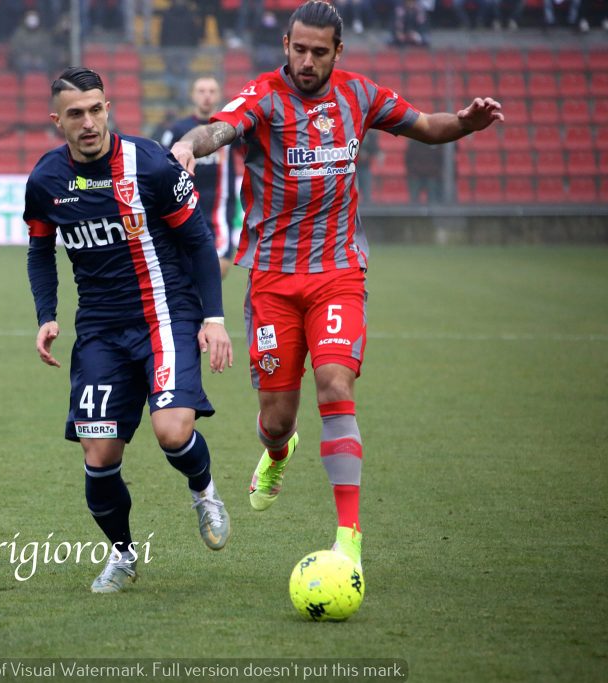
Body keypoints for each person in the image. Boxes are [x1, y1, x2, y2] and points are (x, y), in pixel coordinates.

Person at [171, 0, 502, 573]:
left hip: (338, 272)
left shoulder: (359, 94)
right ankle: (278, 451)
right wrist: (187, 146)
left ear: (337, 52)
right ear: (286, 46)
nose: (305, 60)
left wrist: (466, 122)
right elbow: (218, 129)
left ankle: (348, 536)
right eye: (298, 49)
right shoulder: (264, 96)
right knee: (277, 419)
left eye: (318, 52)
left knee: (333, 382)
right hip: (272, 280)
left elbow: (425, 127)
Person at [25, 67, 234, 593]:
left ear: (108, 108)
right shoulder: (46, 181)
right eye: (76, 113)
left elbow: (198, 242)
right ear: (58, 121)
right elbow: (39, 251)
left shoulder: (151, 164)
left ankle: (204, 491)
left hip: (165, 316)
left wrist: (214, 319)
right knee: (99, 457)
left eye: (96, 109)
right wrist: (46, 314)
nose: (89, 122)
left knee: (172, 432)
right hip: (99, 331)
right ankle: (122, 555)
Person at [160, 76, 237, 277]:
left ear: (219, 95)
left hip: (218, 214)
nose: (207, 96)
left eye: (211, 91)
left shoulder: (228, 129)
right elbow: (161, 163)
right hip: (186, 211)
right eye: (202, 91)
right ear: (193, 96)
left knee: (217, 270)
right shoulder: (178, 130)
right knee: (184, 275)